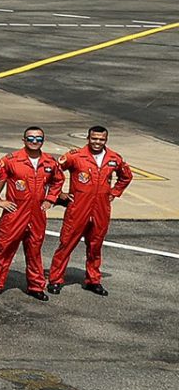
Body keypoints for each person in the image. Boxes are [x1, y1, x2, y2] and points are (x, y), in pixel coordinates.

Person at [50, 126, 132, 296]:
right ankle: (56, 280)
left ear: (106, 140)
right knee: (66, 244)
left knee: (95, 246)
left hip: (101, 209)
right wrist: (60, 194)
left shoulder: (114, 158)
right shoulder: (75, 156)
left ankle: (93, 280)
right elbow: (53, 171)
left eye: (101, 139)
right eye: (94, 138)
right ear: (88, 138)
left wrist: (114, 192)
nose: (97, 142)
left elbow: (126, 176)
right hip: (78, 208)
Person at [0, 126, 65, 300]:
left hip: (37, 214)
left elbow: (58, 180)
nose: (34, 142)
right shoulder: (11, 160)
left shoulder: (50, 162)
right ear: (24, 140)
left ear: (43, 141)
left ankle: (36, 286)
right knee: (4, 249)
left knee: (35, 251)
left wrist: (50, 198)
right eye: (30, 138)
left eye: (38, 139)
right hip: (15, 213)